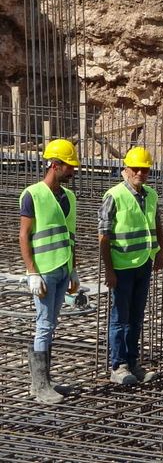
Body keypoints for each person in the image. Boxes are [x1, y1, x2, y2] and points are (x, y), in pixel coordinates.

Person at [19, 138, 80, 404]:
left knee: (51, 324)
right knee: (43, 325)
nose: (73, 171)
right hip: (43, 272)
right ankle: (39, 385)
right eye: (69, 166)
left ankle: (46, 380)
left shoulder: (69, 197)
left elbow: (71, 235)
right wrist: (32, 272)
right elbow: (24, 235)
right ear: (55, 165)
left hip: (62, 268)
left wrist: (73, 270)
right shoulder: (33, 194)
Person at [98, 146, 163, 385]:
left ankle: (133, 362)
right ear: (125, 169)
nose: (140, 173)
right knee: (120, 317)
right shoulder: (114, 196)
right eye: (135, 168)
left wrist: (160, 251)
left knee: (136, 316)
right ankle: (118, 365)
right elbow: (103, 236)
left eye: (144, 169)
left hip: (143, 263)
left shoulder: (151, 195)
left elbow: (157, 223)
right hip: (122, 266)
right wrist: (109, 269)